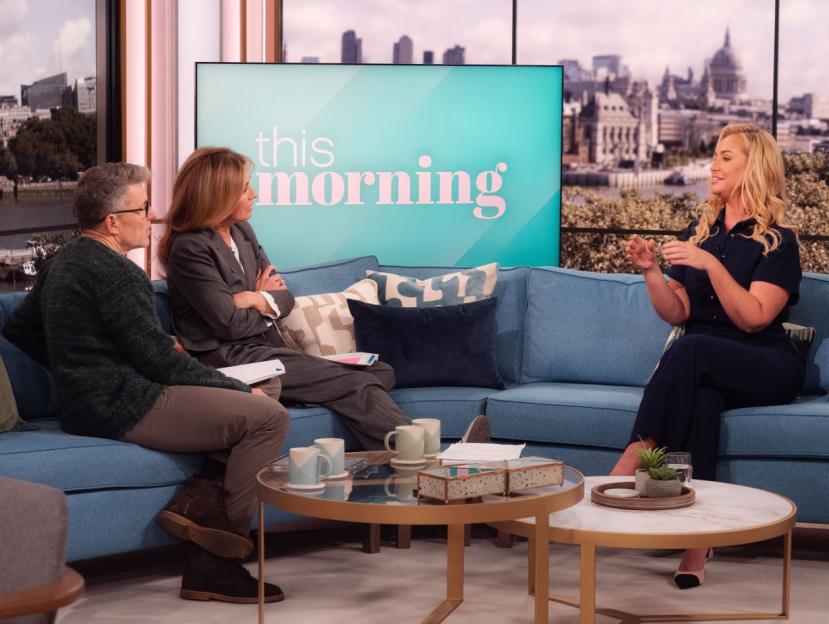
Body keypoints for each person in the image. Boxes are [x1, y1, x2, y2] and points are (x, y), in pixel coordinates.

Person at [3, 163, 290, 604]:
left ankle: (197, 503)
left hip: (104, 397)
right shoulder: (117, 273)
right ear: (113, 222)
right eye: (143, 207)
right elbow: (161, 365)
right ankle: (216, 560)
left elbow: (21, 329)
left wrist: (76, 361)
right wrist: (231, 388)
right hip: (126, 403)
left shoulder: (61, 262)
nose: (152, 216)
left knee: (266, 385)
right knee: (269, 416)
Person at [611, 124, 805, 588]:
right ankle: (699, 542)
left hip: (764, 362)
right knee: (700, 399)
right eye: (715, 157)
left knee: (693, 348)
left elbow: (755, 318)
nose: (712, 166)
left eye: (725, 157)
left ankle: (638, 451)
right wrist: (651, 271)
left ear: (753, 167)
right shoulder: (698, 232)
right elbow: (676, 311)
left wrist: (712, 265)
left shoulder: (779, 240)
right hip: (702, 364)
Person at [160, 146, 419, 449]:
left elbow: (284, 299)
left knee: (379, 370)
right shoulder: (190, 248)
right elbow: (227, 325)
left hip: (267, 349)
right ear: (219, 194)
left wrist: (254, 298)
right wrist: (262, 298)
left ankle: (310, 392)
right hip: (229, 358)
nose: (254, 193)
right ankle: (418, 457)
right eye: (245, 188)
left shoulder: (242, 231)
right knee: (356, 383)